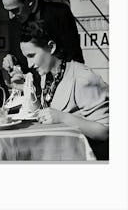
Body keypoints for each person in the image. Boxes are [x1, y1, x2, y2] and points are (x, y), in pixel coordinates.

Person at [19, 18, 109, 156]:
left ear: (51, 47)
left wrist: (63, 118)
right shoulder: (48, 76)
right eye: (26, 57)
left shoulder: (82, 78)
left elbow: (106, 132)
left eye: (32, 56)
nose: (29, 64)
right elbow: (47, 115)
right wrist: (26, 90)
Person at [1, 0, 84, 92]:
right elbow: (17, 52)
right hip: (29, 91)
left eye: (15, 10)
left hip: (62, 89)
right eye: (8, 11)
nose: (10, 16)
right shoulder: (13, 22)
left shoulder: (60, 13)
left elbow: (74, 57)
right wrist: (11, 59)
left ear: (29, 0)